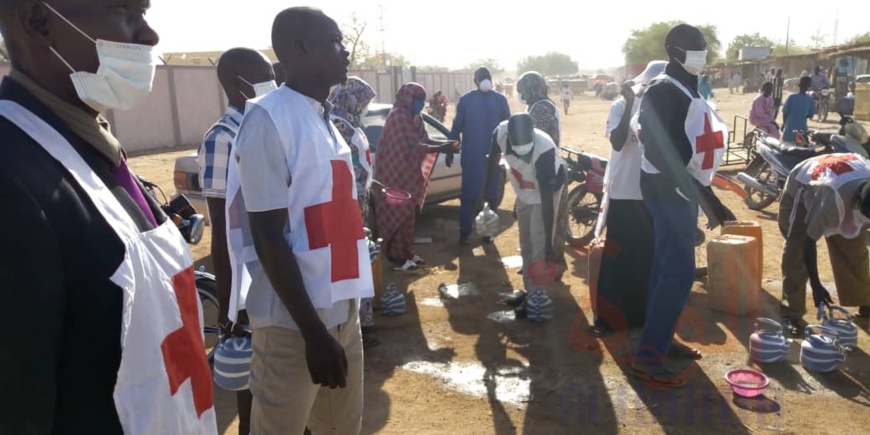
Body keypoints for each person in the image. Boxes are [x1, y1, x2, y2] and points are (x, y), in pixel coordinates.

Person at [0, 1, 216, 433]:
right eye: (125, 10)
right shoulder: (13, 174)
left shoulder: (85, 144)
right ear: (38, 22)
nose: (150, 35)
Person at [228, 8, 374, 434]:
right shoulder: (269, 120)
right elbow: (268, 235)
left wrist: (342, 321)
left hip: (341, 311)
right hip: (294, 326)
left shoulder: (320, 116)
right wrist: (313, 335)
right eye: (334, 41)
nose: (345, 51)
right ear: (298, 48)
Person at [632, 24, 735, 388]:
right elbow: (659, 150)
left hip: (680, 188)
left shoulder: (683, 85)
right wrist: (699, 193)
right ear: (674, 51)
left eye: (705, 47)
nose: (702, 53)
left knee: (666, 268)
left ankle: (660, 340)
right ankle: (648, 357)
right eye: (696, 47)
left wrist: (705, 194)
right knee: (677, 271)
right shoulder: (662, 90)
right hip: (669, 188)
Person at [198, 47, 275, 435]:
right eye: (263, 75)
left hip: (276, 275)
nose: (271, 82)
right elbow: (221, 229)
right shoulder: (222, 139)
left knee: (280, 386)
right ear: (236, 83)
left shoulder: (264, 126)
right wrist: (231, 305)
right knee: (252, 391)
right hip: (248, 283)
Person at [592, 60, 667, 335]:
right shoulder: (622, 106)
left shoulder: (668, 110)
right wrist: (628, 104)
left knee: (647, 257)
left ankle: (641, 316)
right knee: (617, 257)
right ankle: (608, 320)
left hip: (653, 194)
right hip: (624, 191)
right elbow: (616, 141)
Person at [486, 113, 566, 322]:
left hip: (545, 194)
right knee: (526, 243)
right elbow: (492, 163)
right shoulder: (499, 133)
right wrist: (487, 199)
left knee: (539, 245)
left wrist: (550, 244)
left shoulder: (544, 150)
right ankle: (530, 291)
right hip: (524, 191)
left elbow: (546, 201)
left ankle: (536, 299)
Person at [779, 153, 870, 335]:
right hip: (805, 187)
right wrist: (816, 285)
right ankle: (792, 312)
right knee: (795, 250)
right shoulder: (830, 201)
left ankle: (865, 300)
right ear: (858, 202)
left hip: (845, 180)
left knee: (854, 250)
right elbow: (809, 241)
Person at [376, 82, 459, 271]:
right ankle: (396, 258)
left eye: (422, 99)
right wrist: (441, 148)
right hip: (394, 174)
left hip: (409, 175)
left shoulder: (416, 117)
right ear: (407, 98)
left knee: (408, 215)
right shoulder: (398, 116)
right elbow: (413, 147)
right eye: (417, 99)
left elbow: (424, 140)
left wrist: (446, 144)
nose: (420, 103)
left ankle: (407, 252)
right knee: (396, 215)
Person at [328, 76, 381, 346]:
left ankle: (362, 322)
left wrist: (373, 183)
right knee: (353, 263)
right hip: (346, 207)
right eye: (364, 101)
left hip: (358, 201)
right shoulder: (337, 124)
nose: (365, 107)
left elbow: (359, 163)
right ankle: (354, 327)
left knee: (362, 260)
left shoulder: (350, 122)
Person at [516, 71, 570, 276]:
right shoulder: (536, 106)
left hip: (548, 171)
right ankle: (536, 261)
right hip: (538, 169)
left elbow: (530, 139)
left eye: (523, 89)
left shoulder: (542, 108)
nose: (520, 94)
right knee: (537, 219)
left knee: (551, 221)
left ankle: (552, 265)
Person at [448, 67, 510, 244]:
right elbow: (456, 127)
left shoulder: (500, 100)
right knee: (470, 196)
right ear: (475, 81)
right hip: (474, 158)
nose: (484, 80)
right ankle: (465, 232)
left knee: (491, 196)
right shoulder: (466, 101)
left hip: (491, 157)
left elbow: (508, 128)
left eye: (486, 77)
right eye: (482, 78)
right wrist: (449, 149)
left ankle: (486, 232)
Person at [782, 76, 816, 143]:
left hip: (789, 128)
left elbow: (785, 113)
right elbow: (810, 115)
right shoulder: (809, 99)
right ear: (808, 86)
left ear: (799, 85)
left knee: (786, 148)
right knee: (800, 147)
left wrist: (784, 124)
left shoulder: (791, 97)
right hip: (801, 128)